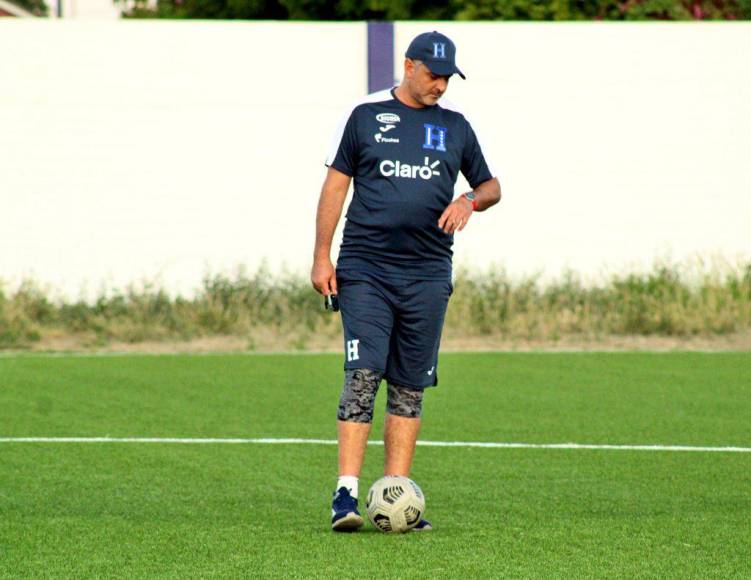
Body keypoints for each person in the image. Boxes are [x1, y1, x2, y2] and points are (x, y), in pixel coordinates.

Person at [311, 30, 501, 532]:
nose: (441, 85)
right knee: (364, 373)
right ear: (409, 65)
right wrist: (321, 257)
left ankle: (396, 495)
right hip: (367, 269)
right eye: (434, 74)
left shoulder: (455, 127)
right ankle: (345, 497)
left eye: (448, 77)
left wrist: (468, 201)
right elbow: (335, 185)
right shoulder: (365, 117)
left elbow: (491, 184)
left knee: (410, 386)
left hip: (428, 273)